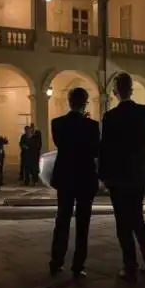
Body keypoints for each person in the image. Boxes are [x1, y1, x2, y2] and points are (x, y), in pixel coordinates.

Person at [99, 73, 145, 282]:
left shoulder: (110, 117)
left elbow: (104, 149)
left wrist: (104, 176)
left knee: (122, 223)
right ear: (132, 90)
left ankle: (130, 266)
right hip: (137, 174)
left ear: (115, 92)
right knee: (138, 219)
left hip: (117, 176)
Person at [49, 87, 100, 278]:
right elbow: (95, 151)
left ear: (69, 102)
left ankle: (56, 261)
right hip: (85, 177)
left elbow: (61, 144)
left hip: (65, 177)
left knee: (62, 219)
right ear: (85, 103)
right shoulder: (92, 126)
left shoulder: (57, 123)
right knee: (83, 223)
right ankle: (78, 265)